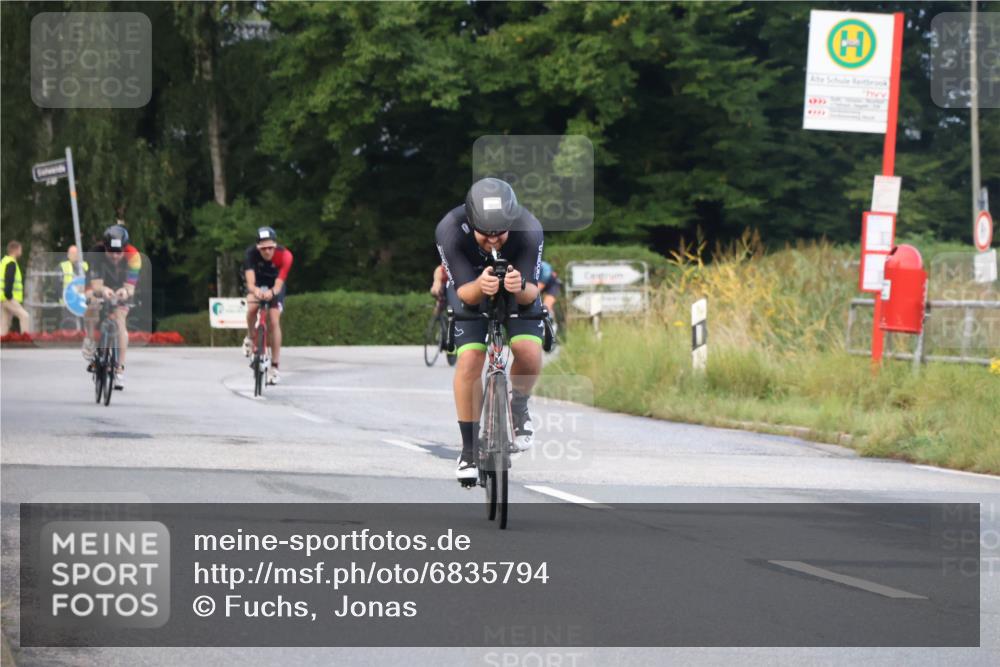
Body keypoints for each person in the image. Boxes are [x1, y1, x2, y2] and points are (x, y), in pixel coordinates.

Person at [435, 177, 545, 482]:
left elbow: (532, 292)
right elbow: (463, 294)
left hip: (516, 285)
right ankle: (469, 450)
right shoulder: (451, 229)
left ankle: (519, 406)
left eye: (500, 234)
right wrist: (480, 286)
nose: (494, 241)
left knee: (528, 350)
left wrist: (519, 287)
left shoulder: (528, 227)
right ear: (472, 223)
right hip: (470, 284)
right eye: (486, 235)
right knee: (470, 360)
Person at [82, 225, 142, 389]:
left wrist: (125, 291)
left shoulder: (133, 256)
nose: (115, 256)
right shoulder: (95, 253)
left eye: (119, 252)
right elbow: (95, 285)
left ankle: (119, 369)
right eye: (111, 252)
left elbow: (131, 286)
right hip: (98, 283)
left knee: (120, 320)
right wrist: (102, 290)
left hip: (120, 284)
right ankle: (89, 339)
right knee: (92, 302)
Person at [242, 227, 293, 385]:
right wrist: (256, 291)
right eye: (263, 248)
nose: (267, 252)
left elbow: (279, 284)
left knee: (274, 320)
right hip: (257, 284)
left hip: (275, 285)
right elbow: (250, 283)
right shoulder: (250, 254)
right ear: (258, 247)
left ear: (275, 245)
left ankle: (275, 366)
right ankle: (250, 337)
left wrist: (272, 292)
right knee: (251, 308)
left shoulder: (285, 256)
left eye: (270, 247)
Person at [1, 240, 30, 336]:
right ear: (16, 250)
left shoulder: (4, 261)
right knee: (24, 316)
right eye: (20, 249)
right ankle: (26, 340)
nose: (21, 251)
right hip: (7, 297)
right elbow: (9, 280)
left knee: (4, 324)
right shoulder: (11, 263)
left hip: (2, 297)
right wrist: (9, 296)